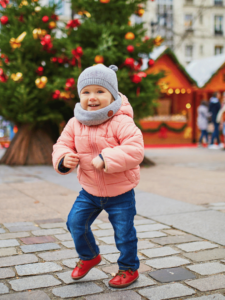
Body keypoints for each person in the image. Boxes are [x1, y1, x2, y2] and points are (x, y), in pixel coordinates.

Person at [52, 64, 144, 288]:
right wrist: (64, 159)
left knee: (124, 233)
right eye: (86, 92)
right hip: (90, 190)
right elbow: (62, 144)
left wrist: (106, 158)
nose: (92, 98)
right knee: (75, 223)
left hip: (120, 191)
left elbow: (135, 149)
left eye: (100, 91)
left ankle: (129, 268)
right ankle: (89, 256)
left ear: (112, 95)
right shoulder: (75, 123)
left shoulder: (121, 121)